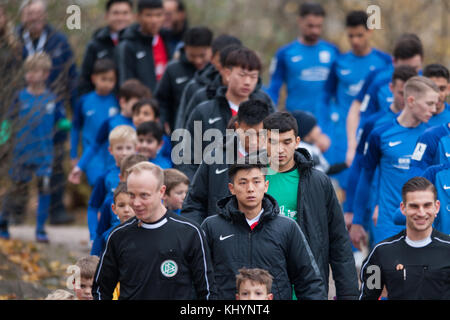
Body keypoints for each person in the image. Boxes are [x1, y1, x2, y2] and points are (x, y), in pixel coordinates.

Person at [263, 111, 359, 299]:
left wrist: (348, 294)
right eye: (273, 142)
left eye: (287, 142)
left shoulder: (318, 182)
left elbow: (339, 240)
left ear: (298, 141)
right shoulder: (251, 179)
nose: (280, 150)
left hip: (307, 282)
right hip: (261, 283)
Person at [201, 159, 327, 300]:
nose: (250, 188)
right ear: (232, 188)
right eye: (243, 182)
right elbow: (199, 277)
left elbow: (309, 281)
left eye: (256, 181)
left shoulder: (287, 227)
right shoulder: (212, 227)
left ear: (266, 185)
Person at [92, 161, 216, 300]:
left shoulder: (190, 232)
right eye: (132, 195)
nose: (136, 203)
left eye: (144, 195)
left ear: (161, 192)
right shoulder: (118, 235)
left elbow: (207, 292)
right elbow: (100, 290)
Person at [350, 77, 439, 248]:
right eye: (429, 104)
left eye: (435, 104)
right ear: (411, 101)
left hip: (424, 222)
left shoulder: (433, 137)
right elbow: (366, 177)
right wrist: (357, 220)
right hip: (388, 223)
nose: (433, 109)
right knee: (387, 274)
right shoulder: (381, 134)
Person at [18, 0, 79, 225]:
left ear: (44, 16)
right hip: (22, 110)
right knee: (20, 161)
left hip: (53, 109)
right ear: (23, 16)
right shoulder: (13, 40)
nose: (34, 18)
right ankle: (15, 210)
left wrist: (74, 111)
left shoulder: (58, 40)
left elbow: (72, 76)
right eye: (30, 14)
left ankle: (56, 210)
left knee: (54, 159)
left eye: (38, 14)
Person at [0, 53, 68, 242]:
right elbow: (8, 120)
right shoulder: (19, 97)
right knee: (16, 189)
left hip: (44, 155)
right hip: (21, 153)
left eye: (35, 71)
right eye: (28, 71)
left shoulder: (52, 99)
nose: (30, 75)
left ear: (45, 74)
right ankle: (3, 222)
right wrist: (2, 137)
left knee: (44, 189)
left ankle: (40, 229)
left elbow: (61, 121)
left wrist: (66, 125)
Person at [322, 10, 392, 190]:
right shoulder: (339, 62)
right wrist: (326, 124)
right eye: (351, 36)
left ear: (370, 32)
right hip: (344, 134)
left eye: (360, 35)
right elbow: (325, 96)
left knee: (374, 181)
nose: (355, 41)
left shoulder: (384, 61)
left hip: (374, 130)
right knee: (346, 183)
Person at [181, 47, 274, 179]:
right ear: (227, 74)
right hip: (212, 186)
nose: (247, 82)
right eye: (242, 75)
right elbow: (186, 156)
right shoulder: (204, 111)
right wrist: (193, 187)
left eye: (253, 77)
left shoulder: (266, 109)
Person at [344, 65, 417, 233]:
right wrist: (353, 213)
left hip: (420, 215)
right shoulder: (375, 125)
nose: (406, 99)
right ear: (391, 89)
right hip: (380, 211)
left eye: (410, 94)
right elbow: (360, 167)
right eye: (401, 93)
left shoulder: (429, 128)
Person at [181, 99, 271, 225]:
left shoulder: (276, 160)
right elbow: (194, 202)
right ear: (237, 127)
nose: (253, 141)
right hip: (219, 239)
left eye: (258, 134)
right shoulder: (214, 158)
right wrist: (200, 235)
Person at [360, 177, 450, 300]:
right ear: (403, 208)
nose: (421, 213)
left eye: (427, 205)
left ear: (437, 207)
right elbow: (368, 296)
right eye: (414, 206)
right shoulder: (381, 253)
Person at [346, 34, 424, 165]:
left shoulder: (426, 84)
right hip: (383, 149)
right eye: (405, 68)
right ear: (394, 62)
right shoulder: (378, 80)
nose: (410, 76)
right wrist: (353, 145)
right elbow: (363, 115)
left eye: (415, 69)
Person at [68, 79, 151, 185]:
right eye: (135, 105)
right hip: (113, 174)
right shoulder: (111, 122)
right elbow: (94, 146)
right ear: (122, 102)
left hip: (138, 176)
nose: (138, 110)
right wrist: (79, 166)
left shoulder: (144, 125)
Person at [266, 2, 338, 116]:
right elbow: (274, 87)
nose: (315, 31)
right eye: (310, 26)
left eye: (319, 26)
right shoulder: (285, 53)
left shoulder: (333, 51)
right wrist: (270, 113)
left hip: (326, 121)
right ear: (300, 21)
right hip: (296, 119)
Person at [174, 34, 242, 130]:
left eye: (234, 64)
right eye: (223, 62)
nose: (228, 69)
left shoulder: (258, 96)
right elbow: (183, 130)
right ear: (212, 58)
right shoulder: (197, 90)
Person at [71, 59, 120, 186]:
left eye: (111, 80)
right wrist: (73, 155)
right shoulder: (84, 101)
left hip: (113, 156)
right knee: (98, 184)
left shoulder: (117, 101)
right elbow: (76, 128)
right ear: (94, 79)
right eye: (103, 79)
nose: (107, 84)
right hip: (92, 155)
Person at [155, 26, 213, 133]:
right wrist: (163, 121)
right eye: (192, 55)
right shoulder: (173, 69)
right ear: (185, 48)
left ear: (211, 49)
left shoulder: (216, 71)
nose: (198, 60)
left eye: (202, 55)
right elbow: (162, 100)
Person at [86, 125, 137, 242]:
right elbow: (93, 207)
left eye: (128, 148)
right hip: (112, 234)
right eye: (119, 148)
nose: (124, 153)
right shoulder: (105, 177)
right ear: (110, 150)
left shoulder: (143, 174)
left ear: (136, 148)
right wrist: (93, 235)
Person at [91, 153, 147, 257]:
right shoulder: (109, 202)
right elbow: (100, 233)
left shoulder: (151, 203)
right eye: (130, 177)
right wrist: (93, 259)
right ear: (121, 177)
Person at [78, 0, 135, 96]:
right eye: (116, 13)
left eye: (125, 13)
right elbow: (85, 79)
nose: (120, 18)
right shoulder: (95, 44)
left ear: (132, 16)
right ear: (107, 15)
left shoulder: (138, 42)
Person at [117, 0, 175, 92]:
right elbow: (126, 83)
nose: (154, 20)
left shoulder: (167, 39)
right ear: (138, 17)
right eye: (149, 15)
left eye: (158, 15)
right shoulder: (128, 45)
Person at [291, 110, 346, 175]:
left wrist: (346, 164)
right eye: (314, 127)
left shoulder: (313, 146)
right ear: (306, 134)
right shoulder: (302, 152)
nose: (319, 129)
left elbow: (326, 169)